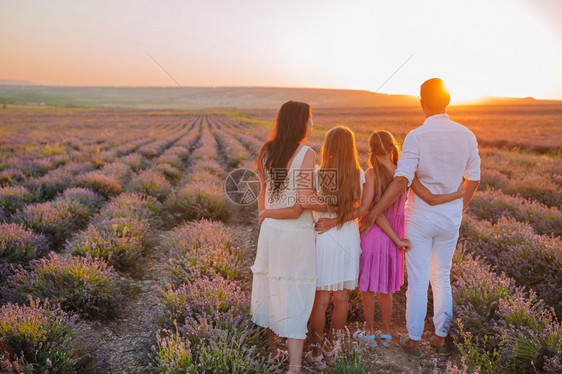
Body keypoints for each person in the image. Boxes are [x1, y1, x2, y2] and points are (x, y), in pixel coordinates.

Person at [359, 78, 481, 358]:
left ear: (422, 103)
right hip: (449, 218)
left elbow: (402, 180)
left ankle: (413, 340)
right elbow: (473, 179)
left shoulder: (417, 136)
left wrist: (375, 212)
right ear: (448, 100)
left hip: (420, 219)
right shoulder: (466, 135)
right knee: (442, 277)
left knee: (418, 280)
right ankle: (440, 338)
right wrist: (458, 206)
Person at [316, 130, 463, 351]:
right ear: (393, 148)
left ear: (372, 151)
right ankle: (385, 332)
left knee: (368, 290)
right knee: (386, 291)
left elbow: (373, 213)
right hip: (394, 237)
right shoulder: (404, 175)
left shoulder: (372, 174)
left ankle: (368, 333)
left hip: (373, 235)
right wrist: (457, 194)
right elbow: (430, 198)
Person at [252, 100, 316, 374]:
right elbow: (298, 209)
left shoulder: (267, 150)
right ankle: (294, 366)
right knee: (296, 293)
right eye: (311, 118)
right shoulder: (307, 153)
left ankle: (272, 350)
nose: (313, 123)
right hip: (296, 236)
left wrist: (265, 216)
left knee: (270, 286)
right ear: (301, 122)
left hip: (271, 232)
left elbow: (262, 192)